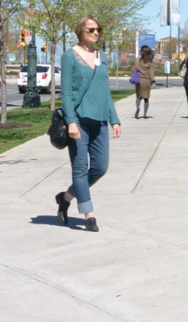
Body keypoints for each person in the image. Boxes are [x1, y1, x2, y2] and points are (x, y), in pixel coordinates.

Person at [55, 16, 121, 232]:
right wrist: (71, 121)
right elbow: (65, 92)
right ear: (80, 31)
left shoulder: (102, 56)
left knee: (100, 167)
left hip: (100, 120)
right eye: (91, 29)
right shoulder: (69, 56)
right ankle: (89, 215)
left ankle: (65, 197)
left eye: (98, 29)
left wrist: (114, 119)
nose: (95, 33)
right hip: (79, 120)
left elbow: (104, 90)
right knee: (80, 169)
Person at [134, 46, 155, 119]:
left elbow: (133, 70)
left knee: (138, 97)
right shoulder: (150, 62)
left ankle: (137, 107)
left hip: (139, 80)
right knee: (146, 98)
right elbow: (151, 73)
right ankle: (145, 114)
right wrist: (153, 81)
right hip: (147, 81)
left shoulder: (138, 60)